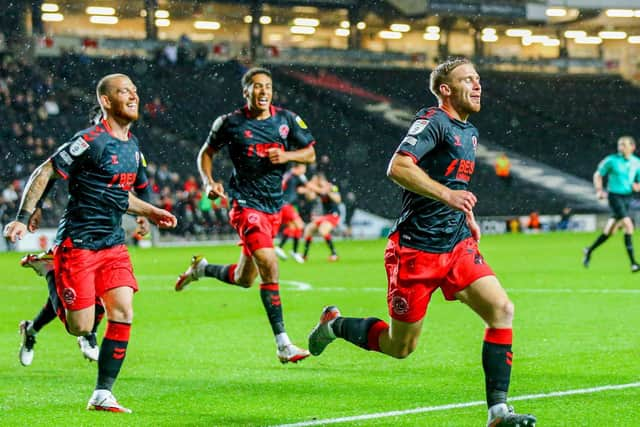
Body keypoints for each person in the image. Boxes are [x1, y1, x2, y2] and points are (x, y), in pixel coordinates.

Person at [308, 58, 536, 427]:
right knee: (401, 348)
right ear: (445, 89)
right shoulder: (433, 121)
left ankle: (498, 413)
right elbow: (398, 167)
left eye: (478, 79)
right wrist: (448, 197)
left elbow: (455, 186)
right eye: (467, 80)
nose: (477, 86)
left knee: (501, 310)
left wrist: (466, 214)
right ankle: (334, 325)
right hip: (416, 249)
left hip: (457, 244)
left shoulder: (470, 132)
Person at [4, 73, 177, 413]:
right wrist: (24, 217)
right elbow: (45, 172)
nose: (133, 95)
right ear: (106, 101)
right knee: (78, 326)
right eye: (124, 91)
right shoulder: (90, 140)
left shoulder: (132, 144)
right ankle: (52, 271)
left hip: (112, 244)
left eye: (135, 90)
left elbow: (118, 195)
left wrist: (150, 211)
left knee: (123, 311)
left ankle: (102, 393)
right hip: (79, 243)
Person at [175, 67, 316, 364]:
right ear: (246, 92)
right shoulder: (230, 123)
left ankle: (201, 269)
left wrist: (288, 156)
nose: (264, 91)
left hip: (273, 206)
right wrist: (208, 182)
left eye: (268, 86)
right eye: (257, 86)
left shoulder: (287, 120)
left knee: (244, 278)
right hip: (244, 204)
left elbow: (310, 153)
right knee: (269, 262)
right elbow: (206, 153)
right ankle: (283, 344)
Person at [583, 135, 640, 272]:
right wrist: (598, 190)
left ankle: (589, 250)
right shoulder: (611, 160)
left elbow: (638, 181)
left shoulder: (637, 162)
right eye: (620, 145)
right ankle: (633, 263)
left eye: (624, 145)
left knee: (610, 231)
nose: (621, 147)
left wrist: (637, 186)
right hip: (614, 196)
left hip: (627, 197)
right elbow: (598, 174)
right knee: (629, 225)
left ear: (632, 147)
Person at [301, 172, 342, 262]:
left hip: (334, 215)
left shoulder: (332, 187)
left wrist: (329, 192)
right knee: (309, 229)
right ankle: (304, 256)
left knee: (323, 230)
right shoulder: (319, 190)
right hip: (325, 216)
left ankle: (334, 254)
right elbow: (310, 197)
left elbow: (338, 199)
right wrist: (309, 189)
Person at [274, 163, 310, 263]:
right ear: (297, 168)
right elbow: (305, 187)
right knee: (300, 225)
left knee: (292, 227)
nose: (304, 171)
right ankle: (290, 250)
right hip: (286, 204)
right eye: (303, 168)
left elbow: (298, 189)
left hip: (283, 204)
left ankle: (284, 249)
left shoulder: (288, 175)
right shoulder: (294, 176)